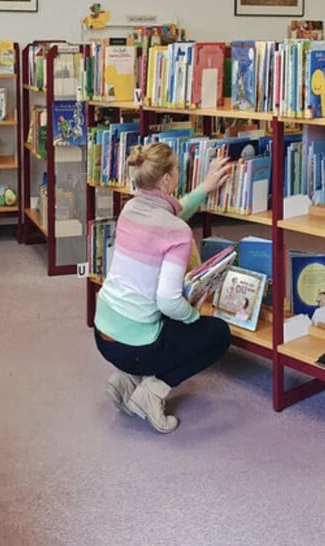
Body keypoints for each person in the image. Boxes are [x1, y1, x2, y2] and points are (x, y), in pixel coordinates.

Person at [94, 143, 232, 433]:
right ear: (168, 179)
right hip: (135, 345)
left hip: (103, 334)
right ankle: (151, 392)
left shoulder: (129, 210)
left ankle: (126, 379)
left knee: (164, 317)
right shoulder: (176, 232)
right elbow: (168, 302)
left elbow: (169, 218)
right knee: (217, 334)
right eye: (178, 171)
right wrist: (194, 317)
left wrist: (205, 188)